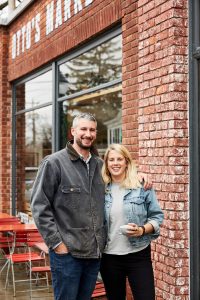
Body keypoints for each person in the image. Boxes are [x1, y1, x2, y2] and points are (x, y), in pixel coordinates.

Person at [31, 113, 151, 300]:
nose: (88, 134)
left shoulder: (100, 166)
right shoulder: (54, 163)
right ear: (73, 131)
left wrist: (139, 175)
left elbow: (120, 178)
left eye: (92, 130)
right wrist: (57, 244)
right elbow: (39, 207)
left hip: (94, 256)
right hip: (67, 255)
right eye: (83, 129)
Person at [100, 143, 164, 300]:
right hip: (109, 257)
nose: (115, 163)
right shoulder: (99, 189)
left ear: (126, 162)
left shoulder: (141, 186)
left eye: (119, 159)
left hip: (138, 254)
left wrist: (142, 230)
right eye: (111, 159)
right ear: (106, 163)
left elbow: (157, 217)